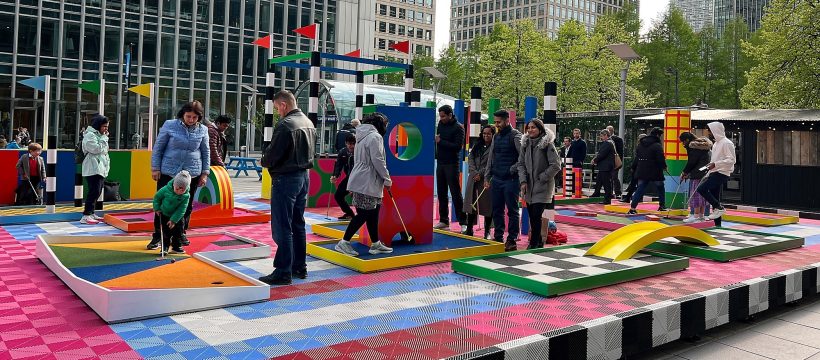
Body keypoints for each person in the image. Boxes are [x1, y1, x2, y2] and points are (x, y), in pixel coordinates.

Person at [258, 90, 316, 285]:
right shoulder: (307, 122)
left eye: (276, 108)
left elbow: (272, 156)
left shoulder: (285, 125)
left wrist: (264, 160)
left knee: (282, 226)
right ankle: (300, 266)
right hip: (304, 176)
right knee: (298, 223)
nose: (277, 112)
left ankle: (283, 271)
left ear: (283, 105)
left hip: (286, 178)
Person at [148, 101, 210, 249]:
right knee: (164, 206)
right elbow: (158, 148)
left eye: (195, 117)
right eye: (188, 116)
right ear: (182, 114)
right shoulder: (170, 125)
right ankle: (158, 236)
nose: (191, 120)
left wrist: (204, 173)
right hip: (168, 172)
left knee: (186, 206)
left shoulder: (203, 130)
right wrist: (155, 168)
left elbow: (206, 152)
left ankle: (180, 235)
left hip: (191, 174)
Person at [334, 113, 394, 257]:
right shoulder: (375, 137)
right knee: (365, 213)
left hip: (363, 178)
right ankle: (344, 242)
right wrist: (387, 178)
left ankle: (375, 243)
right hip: (367, 180)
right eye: (385, 124)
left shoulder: (361, 135)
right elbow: (378, 160)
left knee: (373, 212)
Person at [518, 119, 561, 249]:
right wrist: (523, 181)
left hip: (543, 186)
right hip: (529, 186)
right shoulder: (525, 144)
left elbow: (556, 165)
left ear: (540, 129)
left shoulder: (547, 145)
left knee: (536, 215)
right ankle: (537, 242)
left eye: (533, 127)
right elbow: (520, 164)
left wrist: (542, 177)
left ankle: (534, 243)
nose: (530, 130)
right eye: (528, 128)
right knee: (532, 216)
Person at [484, 110, 523, 251]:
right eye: (495, 122)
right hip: (497, 179)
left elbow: (522, 158)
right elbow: (490, 158)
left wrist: (511, 170)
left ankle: (512, 239)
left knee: (512, 211)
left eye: (498, 122)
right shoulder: (496, 136)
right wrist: (487, 177)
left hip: (511, 180)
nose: (496, 124)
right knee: (496, 210)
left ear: (507, 120)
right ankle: (498, 237)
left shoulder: (516, 136)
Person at [433, 105, 466, 231]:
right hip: (441, 163)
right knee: (441, 193)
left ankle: (463, 222)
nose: (441, 119)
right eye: (440, 116)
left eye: (443, 116)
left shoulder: (458, 128)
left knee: (455, 193)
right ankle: (444, 220)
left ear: (450, 115)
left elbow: (457, 147)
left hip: (452, 164)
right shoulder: (441, 124)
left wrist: (440, 142)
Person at [697, 122, 736, 220]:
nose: (709, 133)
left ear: (716, 131)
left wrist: (715, 164)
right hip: (715, 172)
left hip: (722, 172)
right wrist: (710, 168)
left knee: (701, 189)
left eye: (710, 131)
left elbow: (732, 160)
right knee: (715, 196)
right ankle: (717, 222)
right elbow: (715, 160)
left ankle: (719, 208)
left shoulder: (727, 143)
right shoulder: (716, 143)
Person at [463, 125, 495, 239]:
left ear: (493, 135)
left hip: (486, 178)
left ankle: (487, 232)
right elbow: (470, 158)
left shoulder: (494, 147)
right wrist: (473, 171)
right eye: (484, 133)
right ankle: (469, 228)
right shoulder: (477, 145)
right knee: (471, 203)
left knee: (487, 206)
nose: (486, 135)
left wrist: (480, 174)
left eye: (489, 134)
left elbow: (491, 163)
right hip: (473, 178)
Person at [628, 127, 667, 214]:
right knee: (660, 187)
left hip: (642, 169)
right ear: (658, 135)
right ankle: (662, 206)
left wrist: (633, 167)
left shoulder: (641, 144)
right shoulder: (657, 145)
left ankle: (633, 208)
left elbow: (637, 158)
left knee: (640, 188)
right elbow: (660, 158)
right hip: (655, 170)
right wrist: (664, 166)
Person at [80, 115, 111, 224]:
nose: (106, 129)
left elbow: (104, 150)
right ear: (98, 125)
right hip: (92, 168)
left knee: (98, 191)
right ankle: (86, 215)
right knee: (94, 191)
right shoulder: (90, 135)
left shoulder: (100, 136)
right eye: (104, 126)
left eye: (107, 126)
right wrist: (104, 138)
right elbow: (96, 149)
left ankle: (91, 212)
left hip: (100, 168)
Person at [152, 170, 192, 254]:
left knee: (178, 232)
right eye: (177, 189)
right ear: (174, 184)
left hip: (177, 217)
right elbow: (157, 198)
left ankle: (176, 246)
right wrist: (157, 208)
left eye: (182, 190)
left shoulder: (186, 195)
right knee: (165, 232)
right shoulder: (166, 189)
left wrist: (173, 220)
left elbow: (182, 209)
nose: (179, 192)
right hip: (164, 214)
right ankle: (165, 248)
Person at [679, 132, 712, 223]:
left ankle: (696, 216)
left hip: (697, 174)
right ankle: (701, 216)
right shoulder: (704, 147)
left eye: (683, 142)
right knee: (702, 194)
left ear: (687, 140)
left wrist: (684, 172)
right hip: (705, 173)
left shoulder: (694, 148)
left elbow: (691, 162)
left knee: (695, 195)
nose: (683, 144)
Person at [331, 134, 356, 220]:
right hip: (349, 178)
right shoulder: (342, 152)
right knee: (338, 196)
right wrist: (335, 175)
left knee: (357, 198)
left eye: (353, 144)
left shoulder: (360, 152)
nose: (351, 146)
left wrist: (353, 187)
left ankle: (361, 217)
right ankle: (349, 213)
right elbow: (338, 165)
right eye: (349, 143)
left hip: (359, 178)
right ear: (346, 143)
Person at [591, 129, 617, 205]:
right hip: (605, 166)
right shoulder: (610, 142)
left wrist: (595, 160)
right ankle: (596, 193)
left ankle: (607, 199)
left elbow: (602, 154)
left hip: (606, 166)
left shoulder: (607, 143)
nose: (601, 138)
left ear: (606, 135)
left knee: (606, 184)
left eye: (602, 136)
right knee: (599, 181)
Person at [621, 133, 647, 203]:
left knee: (633, 183)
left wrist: (633, 167)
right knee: (640, 184)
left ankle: (628, 197)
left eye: (639, 138)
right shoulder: (647, 147)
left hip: (638, 168)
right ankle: (639, 197)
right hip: (644, 167)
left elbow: (637, 158)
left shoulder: (640, 146)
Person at [607, 125, 624, 197]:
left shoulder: (618, 139)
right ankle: (609, 193)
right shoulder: (606, 139)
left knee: (614, 177)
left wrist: (619, 161)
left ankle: (618, 192)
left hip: (615, 161)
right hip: (607, 161)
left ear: (611, 131)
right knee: (608, 177)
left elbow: (620, 151)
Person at [568, 128, 587, 195]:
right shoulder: (573, 142)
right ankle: (572, 190)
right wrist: (567, 159)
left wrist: (581, 161)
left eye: (577, 133)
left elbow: (584, 153)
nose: (575, 134)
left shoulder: (583, 142)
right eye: (574, 133)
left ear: (579, 134)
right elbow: (570, 152)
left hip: (578, 162)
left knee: (578, 177)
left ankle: (578, 190)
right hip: (571, 162)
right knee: (572, 176)